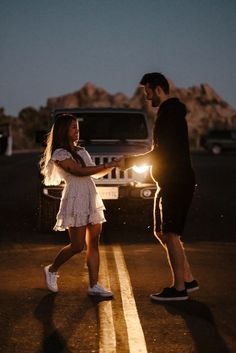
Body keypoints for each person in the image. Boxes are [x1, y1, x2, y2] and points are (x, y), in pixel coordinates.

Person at [120, 72, 199, 301]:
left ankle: (179, 289)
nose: (146, 96)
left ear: (157, 90)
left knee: (171, 233)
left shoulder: (170, 115)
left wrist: (130, 161)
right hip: (169, 181)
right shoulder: (167, 113)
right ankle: (188, 279)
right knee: (161, 231)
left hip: (176, 181)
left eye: (147, 91)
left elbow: (161, 152)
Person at [40, 114, 119, 298]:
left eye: (77, 127)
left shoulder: (82, 151)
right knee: (77, 246)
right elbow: (79, 171)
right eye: (73, 128)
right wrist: (109, 164)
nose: (77, 131)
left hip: (91, 196)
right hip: (75, 197)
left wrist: (114, 166)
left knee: (94, 244)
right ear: (63, 131)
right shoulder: (60, 154)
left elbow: (95, 174)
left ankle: (93, 285)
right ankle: (51, 270)